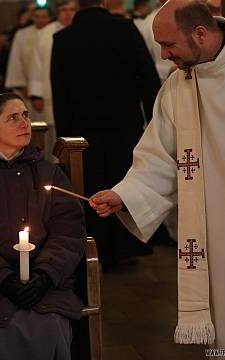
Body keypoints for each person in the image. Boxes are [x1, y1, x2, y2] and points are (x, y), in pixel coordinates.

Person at [90, 0, 225, 351]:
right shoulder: (179, 87)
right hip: (221, 237)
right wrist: (125, 194)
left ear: (201, 34)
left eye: (169, 45)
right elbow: (159, 155)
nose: (163, 56)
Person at [0, 93, 86, 360]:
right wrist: (3, 280)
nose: (24, 123)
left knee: (49, 323)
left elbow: (69, 230)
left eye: (25, 115)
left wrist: (45, 276)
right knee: (3, 328)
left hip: (46, 284)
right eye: (13, 117)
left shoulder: (49, 173)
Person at [51, 0, 161, 270]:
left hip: (83, 130)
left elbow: (60, 93)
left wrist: (66, 139)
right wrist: (154, 122)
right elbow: (148, 76)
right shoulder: (125, 28)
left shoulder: (64, 38)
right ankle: (126, 247)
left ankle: (95, 246)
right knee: (124, 182)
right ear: (103, 2)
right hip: (125, 124)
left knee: (92, 187)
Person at [27, 0, 77, 158]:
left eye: (71, 10)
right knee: (52, 136)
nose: (68, 13)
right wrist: (36, 93)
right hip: (50, 91)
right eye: (64, 10)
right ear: (58, 12)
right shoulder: (45, 33)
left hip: (76, 92)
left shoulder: (81, 31)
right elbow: (36, 64)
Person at [4, 5, 52, 117]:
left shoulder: (55, 33)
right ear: (32, 18)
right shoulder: (22, 34)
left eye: (44, 17)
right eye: (37, 16)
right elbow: (15, 61)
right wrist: (22, 85)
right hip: (27, 89)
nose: (40, 20)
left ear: (50, 18)